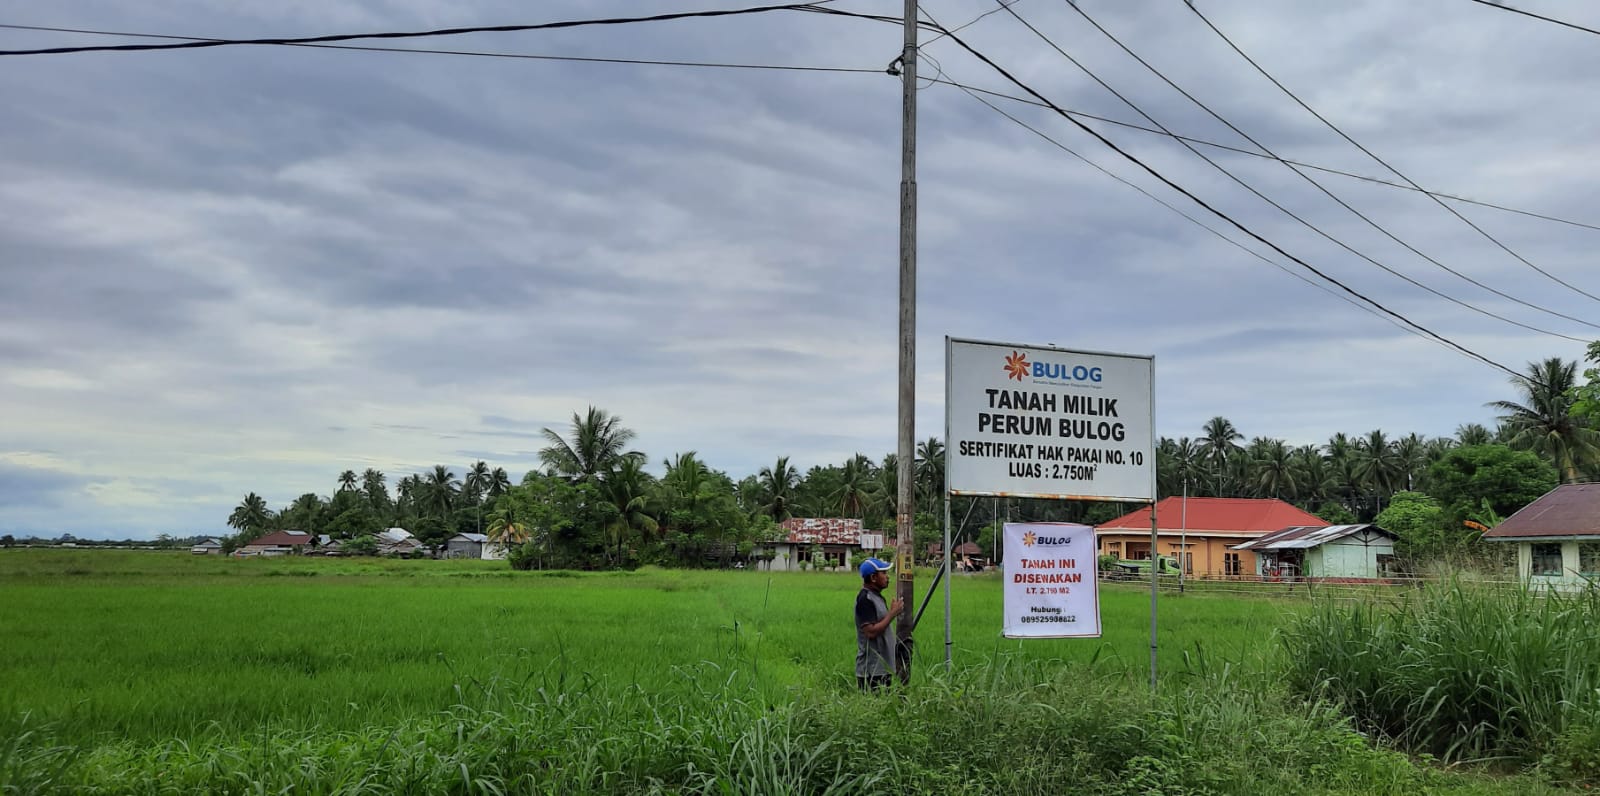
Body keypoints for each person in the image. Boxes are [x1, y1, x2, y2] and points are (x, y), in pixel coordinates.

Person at [854, 557, 903, 691]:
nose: (888, 577)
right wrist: (892, 613)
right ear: (873, 578)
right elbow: (870, 632)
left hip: (882, 668)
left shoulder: (876, 597)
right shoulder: (865, 599)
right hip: (871, 670)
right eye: (884, 573)